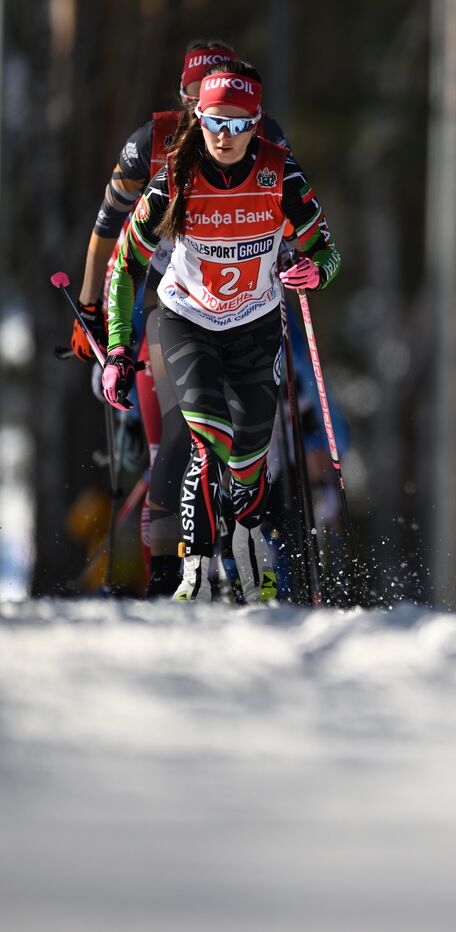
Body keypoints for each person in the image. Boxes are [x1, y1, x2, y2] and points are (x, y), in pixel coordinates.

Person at [101, 61, 340, 602]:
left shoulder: (280, 173)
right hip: (186, 319)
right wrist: (117, 347)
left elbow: (327, 249)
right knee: (210, 433)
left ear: (257, 123)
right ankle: (197, 566)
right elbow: (126, 265)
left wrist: (315, 270)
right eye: (214, 123)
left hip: (254, 323)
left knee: (250, 460)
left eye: (238, 125)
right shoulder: (175, 177)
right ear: (198, 120)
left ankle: (250, 542)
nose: (225, 137)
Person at [73, 39, 293, 597]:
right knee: (178, 433)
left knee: (250, 434)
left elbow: (293, 214)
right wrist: (92, 308)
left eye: (224, 109)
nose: (215, 124)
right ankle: (170, 575)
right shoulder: (150, 145)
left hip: (245, 304)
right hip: (167, 304)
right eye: (199, 104)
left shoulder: (262, 133)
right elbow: (109, 232)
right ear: (184, 100)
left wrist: (296, 254)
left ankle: (246, 556)